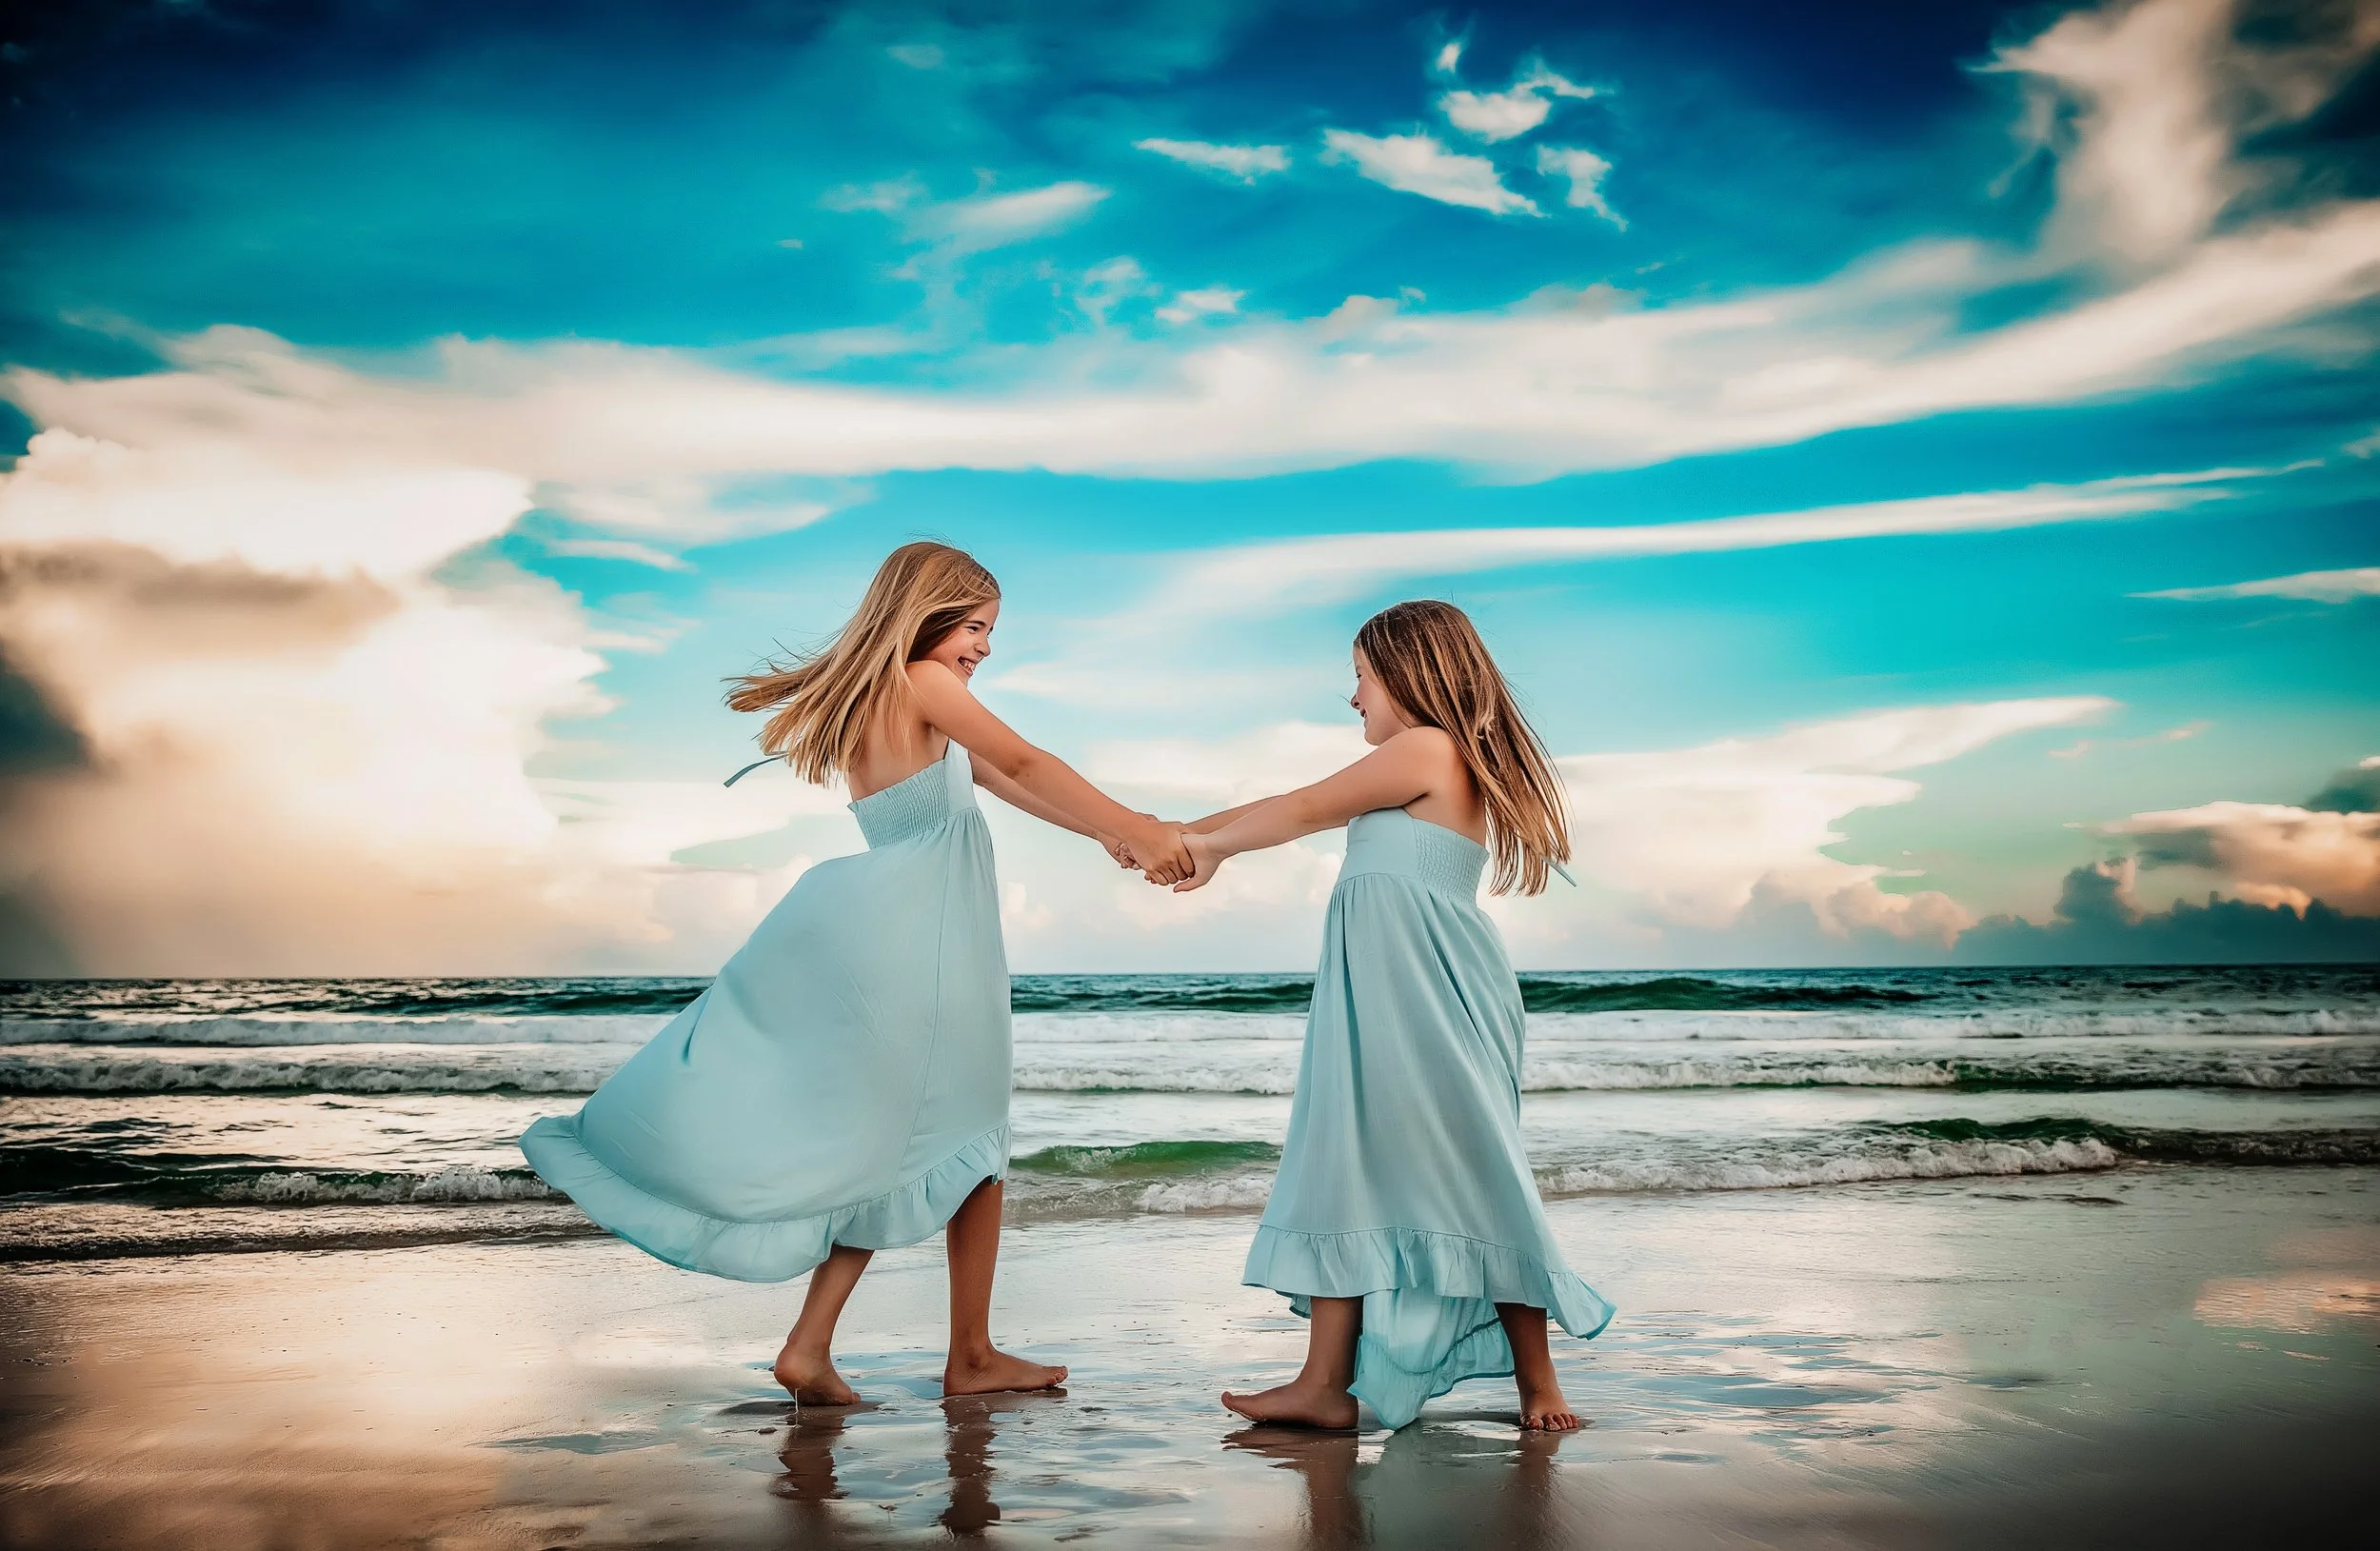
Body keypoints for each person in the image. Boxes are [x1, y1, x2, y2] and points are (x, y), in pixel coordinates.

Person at [522, 541, 1191, 1404]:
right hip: (931, 942)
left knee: (904, 1147)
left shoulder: (889, 698)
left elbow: (1013, 785)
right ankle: (971, 1354)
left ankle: (817, 1345)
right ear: (929, 613)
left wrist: (1104, 835)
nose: (984, 646)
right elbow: (1025, 761)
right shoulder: (924, 682)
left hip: (902, 935)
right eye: (977, 626)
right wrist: (1137, 822)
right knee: (975, 1139)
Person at [1172, 599, 1613, 1430]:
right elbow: (1297, 797)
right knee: (1345, 1164)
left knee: (1476, 1171)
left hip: (1432, 1000)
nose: (1354, 699)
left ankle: (1537, 1378)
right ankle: (1323, 1383)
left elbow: (1305, 807)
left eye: (1362, 678)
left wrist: (1208, 849)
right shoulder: (1425, 757)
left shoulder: (1428, 747)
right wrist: (1178, 831)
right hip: (1377, 1002)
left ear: (1409, 674)